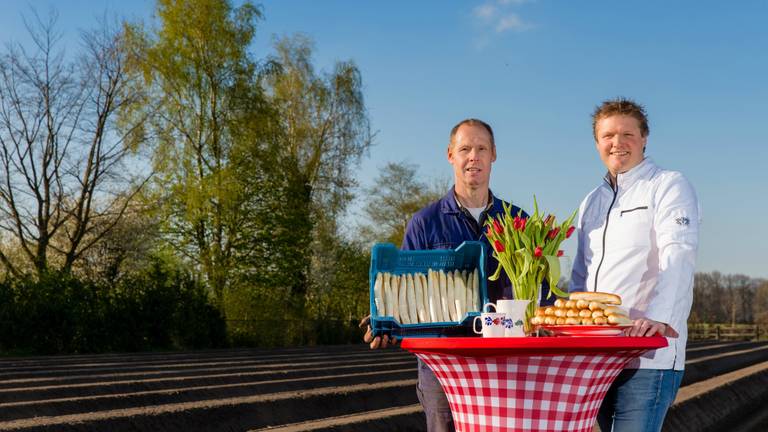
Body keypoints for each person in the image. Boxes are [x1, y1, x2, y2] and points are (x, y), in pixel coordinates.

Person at [361, 118, 546, 432]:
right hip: (443, 363)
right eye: (465, 149)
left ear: (493, 155)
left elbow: (541, 290)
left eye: (481, 148)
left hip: (505, 360)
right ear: (451, 155)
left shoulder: (518, 221)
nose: (473, 156)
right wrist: (387, 318)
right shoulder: (425, 222)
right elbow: (406, 289)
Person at [570, 98, 700, 432]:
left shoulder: (667, 185)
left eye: (627, 134)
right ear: (597, 143)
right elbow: (581, 275)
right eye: (608, 135)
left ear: (644, 138)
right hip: (598, 355)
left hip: (648, 354)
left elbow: (679, 253)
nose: (617, 143)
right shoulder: (591, 201)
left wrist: (658, 317)